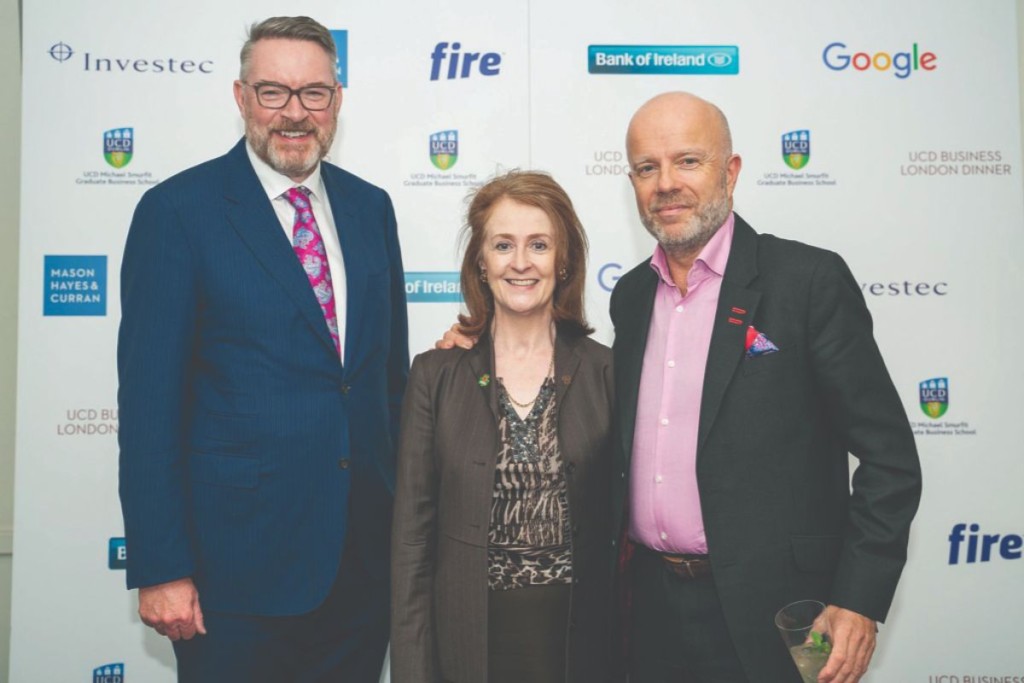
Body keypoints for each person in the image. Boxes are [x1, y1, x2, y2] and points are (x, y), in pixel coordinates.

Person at [441, 92, 921, 683]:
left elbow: (890, 459)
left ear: (731, 171)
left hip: (784, 613)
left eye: (688, 161)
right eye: (647, 168)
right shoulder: (632, 296)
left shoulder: (807, 282)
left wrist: (858, 599)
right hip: (648, 609)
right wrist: (479, 345)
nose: (666, 183)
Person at [117, 16, 408, 682]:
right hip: (233, 579)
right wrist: (161, 567)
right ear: (241, 96)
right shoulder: (178, 212)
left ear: (337, 100)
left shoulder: (371, 209)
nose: (295, 113)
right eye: (273, 91)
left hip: (360, 570)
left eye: (314, 93)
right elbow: (149, 407)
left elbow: (386, 382)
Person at [391, 171, 616, 683]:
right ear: (481, 260)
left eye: (539, 244)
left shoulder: (608, 372)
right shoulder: (436, 375)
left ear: (563, 260)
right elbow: (411, 546)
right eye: (502, 245)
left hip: (579, 647)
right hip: (468, 645)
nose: (520, 262)